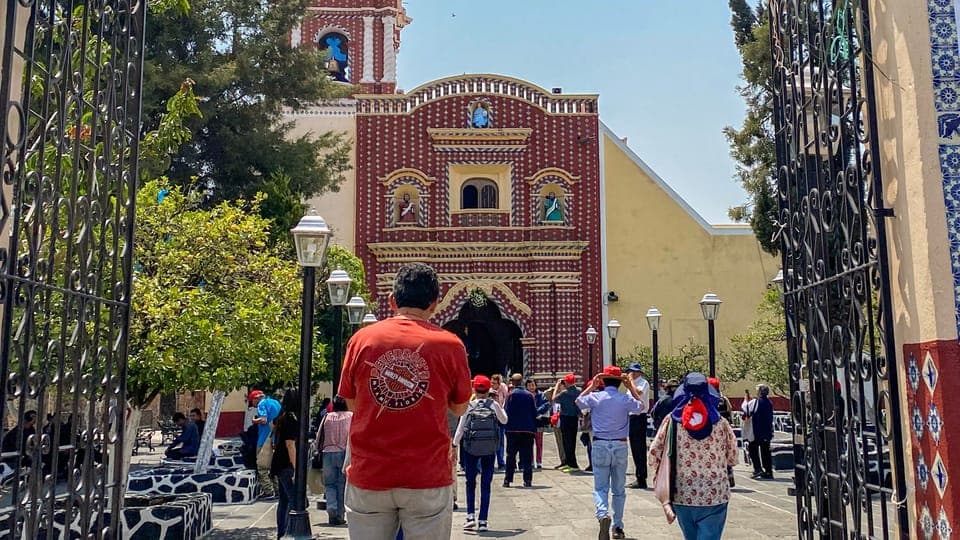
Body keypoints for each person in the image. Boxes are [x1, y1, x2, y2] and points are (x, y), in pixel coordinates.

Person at [338, 262, 472, 539]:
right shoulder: (450, 345)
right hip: (427, 475)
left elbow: (352, 402)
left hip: (370, 473)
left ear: (392, 300)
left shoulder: (362, 339)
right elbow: (460, 407)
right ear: (435, 304)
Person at [649, 373, 739, 540]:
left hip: (683, 493)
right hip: (715, 493)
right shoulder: (721, 423)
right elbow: (733, 457)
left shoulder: (671, 422)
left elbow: (654, 453)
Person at [576, 366, 645, 540]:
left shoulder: (596, 397)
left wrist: (592, 386)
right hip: (620, 444)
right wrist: (630, 387)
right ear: (619, 382)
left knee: (600, 487)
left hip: (600, 443)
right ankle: (618, 526)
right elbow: (641, 407)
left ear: (603, 381)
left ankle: (602, 514)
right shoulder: (625, 399)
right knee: (619, 490)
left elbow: (578, 401)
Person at [453, 375, 507, 532]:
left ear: (474, 390)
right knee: (486, 484)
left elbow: (461, 428)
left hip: (471, 449)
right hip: (489, 449)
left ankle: (470, 516)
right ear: (489, 389)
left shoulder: (469, 406)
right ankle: (483, 520)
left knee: (470, 482)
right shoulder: (493, 405)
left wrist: (454, 445)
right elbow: (504, 420)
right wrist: (498, 404)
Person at [318, 395, 352, 526]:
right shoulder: (350, 416)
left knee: (329, 484)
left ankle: (331, 507)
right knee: (341, 485)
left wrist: (318, 449)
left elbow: (319, 435)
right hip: (344, 452)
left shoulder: (327, 416)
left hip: (328, 452)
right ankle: (340, 514)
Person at [271, 389, 300, 538]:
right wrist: (296, 467)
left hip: (279, 462)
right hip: (286, 464)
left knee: (283, 500)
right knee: (293, 499)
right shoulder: (291, 419)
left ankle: (282, 531)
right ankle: (289, 531)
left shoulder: (282, 417)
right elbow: (290, 445)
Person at [503, 373, 537, 488]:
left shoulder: (510, 395)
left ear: (512, 382)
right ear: (522, 381)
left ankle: (507, 480)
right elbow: (534, 412)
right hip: (527, 430)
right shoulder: (529, 395)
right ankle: (528, 480)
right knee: (527, 456)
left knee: (510, 456)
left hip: (512, 430)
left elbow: (506, 411)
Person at [623, 362, 650, 489]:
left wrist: (630, 383)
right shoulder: (632, 384)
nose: (631, 374)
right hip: (632, 417)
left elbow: (638, 393)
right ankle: (639, 475)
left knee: (639, 447)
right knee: (634, 447)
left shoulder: (643, 383)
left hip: (639, 416)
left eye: (633, 372)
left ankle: (641, 477)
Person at [250, 389, 281, 497]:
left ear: (256, 399)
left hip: (264, 439)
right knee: (273, 466)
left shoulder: (261, 404)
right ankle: (278, 490)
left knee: (262, 467)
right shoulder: (275, 402)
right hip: (276, 439)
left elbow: (263, 420)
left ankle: (268, 491)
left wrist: (254, 420)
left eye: (252, 401)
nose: (253, 404)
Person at [708, 377, 735, 487]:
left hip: (714, 431)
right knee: (725, 453)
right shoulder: (724, 399)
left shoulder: (709, 399)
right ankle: (729, 473)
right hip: (725, 430)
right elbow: (730, 411)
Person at [551, 373, 581, 471]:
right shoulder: (579, 391)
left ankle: (572, 464)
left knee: (566, 441)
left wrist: (557, 386)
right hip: (574, 418)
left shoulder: (564, 393)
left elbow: (553, 399)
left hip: (565, 418)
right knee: (572, 441)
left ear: (567, 382)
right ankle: (570, 462)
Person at [744, 384, 774, 479]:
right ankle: (768, 471)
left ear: (759, 392)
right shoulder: (769, 402)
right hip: (767, 430)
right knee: (766, 451)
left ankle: (758, 469)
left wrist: (746, 400)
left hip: (756, 430)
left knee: (753, 449)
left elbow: (746, 410)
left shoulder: (755, 402)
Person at [526, 379, 548, 469]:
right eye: (529, 385)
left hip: (539, 421)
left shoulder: (541, 395)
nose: (531, 387)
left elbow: (546, 405)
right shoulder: (525, 395)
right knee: (529, 443)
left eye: (533, 385)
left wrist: (536, 411)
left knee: (539, 443)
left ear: (536, 386)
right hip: (529, 422)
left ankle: (539, 461)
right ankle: (530, 461)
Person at [489, 373, 508, 469]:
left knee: (500, 440)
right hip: (491, 418)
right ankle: (491, 462)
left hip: (500, 416)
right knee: (491, 440)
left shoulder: (503, 388)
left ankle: (501, 461)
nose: (492, 385)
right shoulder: (489, 390)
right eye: (491, 383)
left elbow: (506, 399)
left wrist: (501, 407)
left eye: (494, 383)